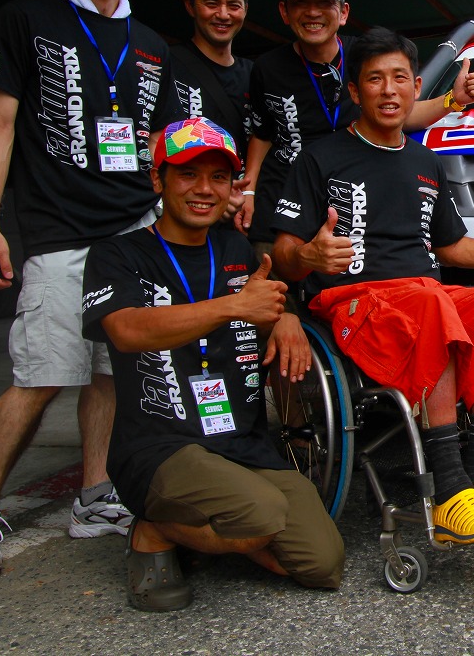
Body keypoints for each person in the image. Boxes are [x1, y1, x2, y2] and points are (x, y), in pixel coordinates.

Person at [271, 28, 474, 545]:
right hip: (353, 302)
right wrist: (307, 256)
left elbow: (455, 248)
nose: (389, 90)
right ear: (355, 91)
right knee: (432, 302)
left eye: (399, 79)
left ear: (416, 88)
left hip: (423, 297)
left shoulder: (425, 161)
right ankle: (450, 491)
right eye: (374, 79)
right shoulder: (322, 159)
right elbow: (281, 252)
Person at [0, 0, 171, 573]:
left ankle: (95, 495)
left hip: (134, 229)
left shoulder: (151, 43)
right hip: (60, 231)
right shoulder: (27, 19)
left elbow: (155, 142)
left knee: (110, 372)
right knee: (41, 375)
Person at [82, 117, 345, 610]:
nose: (204, 189)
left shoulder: (234, 248)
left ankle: (213, 528)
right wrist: (233, 307)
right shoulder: (117, 254)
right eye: (188, 174)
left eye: (218, 177)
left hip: (241, 444)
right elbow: (125, 330)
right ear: (157, 179)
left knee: (322, 564)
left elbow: (264, 303)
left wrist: (285, 318)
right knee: (260, 515)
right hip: (161, 446)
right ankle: (155, 530)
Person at [238, 0, 474, 258]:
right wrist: (248, 191)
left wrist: (453, 100)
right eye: (301, 3)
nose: (313, 12)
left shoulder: (366, 56)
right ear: (284, 12)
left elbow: (401, 112)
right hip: (282, 205)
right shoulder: (267, 68)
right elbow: (262, 133)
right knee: (276, 278)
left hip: (352, 208)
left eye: (324, 3)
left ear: (343, 13)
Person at [165, 0, 254, 226]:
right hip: (182, 212)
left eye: (233, 6)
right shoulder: (165, 64)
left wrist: (246, 193)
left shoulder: (256, 75)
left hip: (240, 218)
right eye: (212, 4)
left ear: (245, 10)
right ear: (190, 6)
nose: (223, 15)